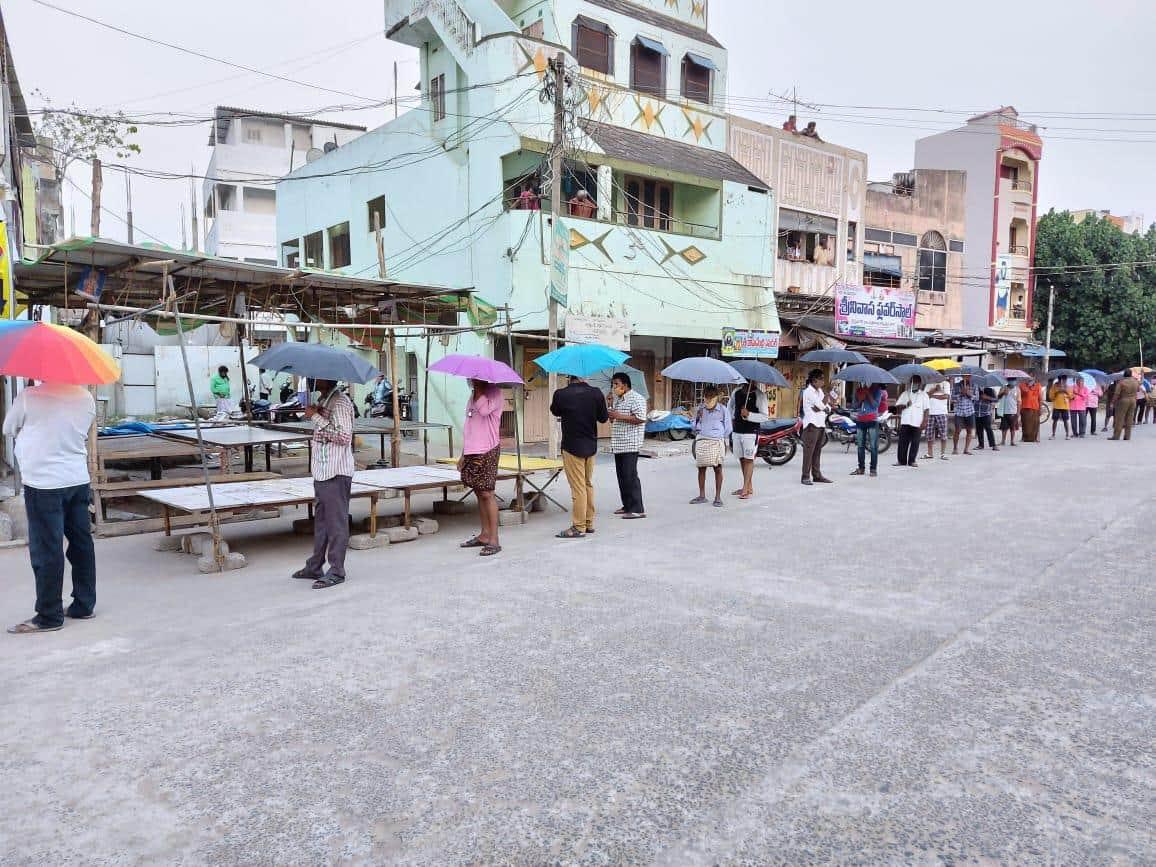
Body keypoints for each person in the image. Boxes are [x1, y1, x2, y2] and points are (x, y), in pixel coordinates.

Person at [4, 383, 97, 634]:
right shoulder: (85, 397)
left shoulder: (28, 397)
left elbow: (8, 428)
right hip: (77, 479)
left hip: (43, 482)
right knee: (81, 543)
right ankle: (84, 604)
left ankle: (49, 615)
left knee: (47, 548)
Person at [292, 379, 355, 589]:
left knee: (336, 524)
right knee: (321, 523)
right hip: (322, 471)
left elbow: (344, 436)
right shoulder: (325, 400)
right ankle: (315, 565)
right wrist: (317, 413)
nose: (312, 379)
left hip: (336, 472)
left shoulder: (341, 403)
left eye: (316, 376)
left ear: (326, 377)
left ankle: (336, 569)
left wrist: (316, 417)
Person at [551, 376, 608, 538]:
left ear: (569, 377)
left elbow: (555, 411)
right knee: (588, 484)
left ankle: (578, 526)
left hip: (571, 447)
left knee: (578, 488)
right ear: (585, 375)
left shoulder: (561, 394)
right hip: (590, 446)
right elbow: (603, 418)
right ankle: (588, 523)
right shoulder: (596, 393)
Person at [458, 379, 504, 557]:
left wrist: (479, 390)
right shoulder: (473, 395)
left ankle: (494, 540)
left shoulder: (495, 393)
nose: (471, 381)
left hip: (488, 449)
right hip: (472, 450)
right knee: (478, 492)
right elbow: (469, 424)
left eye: (474, 379)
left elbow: (484, 410)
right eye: (470, 379)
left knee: (487, 493)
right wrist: (463, 453)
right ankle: (484, 535)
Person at [607, 372, 647, 519]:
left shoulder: (637, 398)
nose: (614, 387)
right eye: (613, 384)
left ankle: (638, 508)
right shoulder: (620, 400)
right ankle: (627, 505)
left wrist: (619, 416)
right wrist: (610, 405)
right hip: (619, 443)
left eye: (616, 384)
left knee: (630, 476)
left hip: (630, 443)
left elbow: (641, 418)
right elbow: (614, 420)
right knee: (622, 476)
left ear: (625, 384)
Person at [690, 385, 732, 506]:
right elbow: (693, 426)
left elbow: (728, 428)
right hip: (702, 441)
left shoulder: (723, 410)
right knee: (701, 468)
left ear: (716, 397)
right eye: (706, 396)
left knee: (718, 468)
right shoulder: (700, 409)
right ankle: (702, 495)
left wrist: (719, 437)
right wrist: (697, 419)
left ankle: (718, 497)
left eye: (710, 396)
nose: (708, 399)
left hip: (716, 442)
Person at [730, 380, 769, 499]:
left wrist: (749, 415)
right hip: (737, 430)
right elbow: (730, 407)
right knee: (742, 459)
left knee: (749, 459)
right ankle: (748, 486)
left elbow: (764, 416)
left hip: (751, 432)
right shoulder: (736, 392)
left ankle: (746, 488)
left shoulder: (760, 395)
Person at [800, 369, 832, 486]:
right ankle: (805, 476)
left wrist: (822, 406)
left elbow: (827, 407)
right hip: (811, 425)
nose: (823, 381)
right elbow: (821, 405)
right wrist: (825, 400)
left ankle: (817, 475)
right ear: (814, 380)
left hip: (820, 423)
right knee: (809, 452)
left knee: (817, 451)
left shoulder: (819, 391)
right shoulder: (808, 392)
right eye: (821, 379)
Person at [850, 381, 885, 477]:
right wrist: (860, 400)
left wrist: (868, 394)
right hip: (860, 420)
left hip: (872, 420)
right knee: (860, 446)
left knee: (873, 446)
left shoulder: (877, 391)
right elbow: (853, 406)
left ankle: (873, 469)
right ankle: (861, 468)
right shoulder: (858, 391)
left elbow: (875, 405)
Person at [893, 376, 930, 468]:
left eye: (917, 382)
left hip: (917, 422)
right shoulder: (905, 394)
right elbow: (897, 407)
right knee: (902, 442)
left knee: (915, 442)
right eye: (913, 382)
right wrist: (905, 405)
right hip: (906, 421)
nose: (915, 384)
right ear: (910, 383)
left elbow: (926, 410)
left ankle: (912, 460)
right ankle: (901, 460)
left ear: (920, 384)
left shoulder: (924, 395)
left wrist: (925, 421)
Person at [923, 379, 950, 460]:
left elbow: (946, 396)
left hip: (941, 412)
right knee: (929, 434)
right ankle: (929, 453)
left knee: (943, 434)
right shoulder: (929, 383)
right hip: (930, 412)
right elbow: (926, 396)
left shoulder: (946, 384)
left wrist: (933, 395)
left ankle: (943, 453)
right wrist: (935, 389)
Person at [1111, 374, 1140, 440]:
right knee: (1129, 419)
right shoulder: (1135, 381)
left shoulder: (1121, 382)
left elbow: (1117, 393)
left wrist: (1113, 402)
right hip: (1133, 401)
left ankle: (1116, 436)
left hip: (1123, 400)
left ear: (1124, 375)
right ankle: (1127, 436)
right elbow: (1138, 390)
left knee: (1120, 419)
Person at [952, 376, 976, 455]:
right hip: (959, 411)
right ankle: (955, 448)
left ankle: (966, 449)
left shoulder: (974, 385)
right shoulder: (956, 385)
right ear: (963, 376)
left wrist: (969, 394)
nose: (967, 377)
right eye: (965, 376)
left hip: (970, 411)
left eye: (969, 376)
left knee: (969, 431)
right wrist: (961, 393)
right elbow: (952, 398)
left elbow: (977, 398)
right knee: (957, 430)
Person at [974, 385, 998, 451]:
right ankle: (980, 445)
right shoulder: (975, 389)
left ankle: (993, 445)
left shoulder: (990, 389)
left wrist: (987, 397)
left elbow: (996, 400)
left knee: (988, 429)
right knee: (979, 430)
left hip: (986, 413)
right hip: (976, 412)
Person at [1019, 378, 1043, 443]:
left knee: (1036, 423)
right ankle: (1024, 437)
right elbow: (1022, 395)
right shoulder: (1022, 385)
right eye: (1028, 378)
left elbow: (1040, 398)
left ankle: (1036, 438)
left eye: (1032, 378)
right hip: (1025, 407)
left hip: (1035, 407)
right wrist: (1029, 386)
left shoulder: (1038, 385)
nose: (1030, 380)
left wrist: (1040, 408)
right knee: (1025, 424)